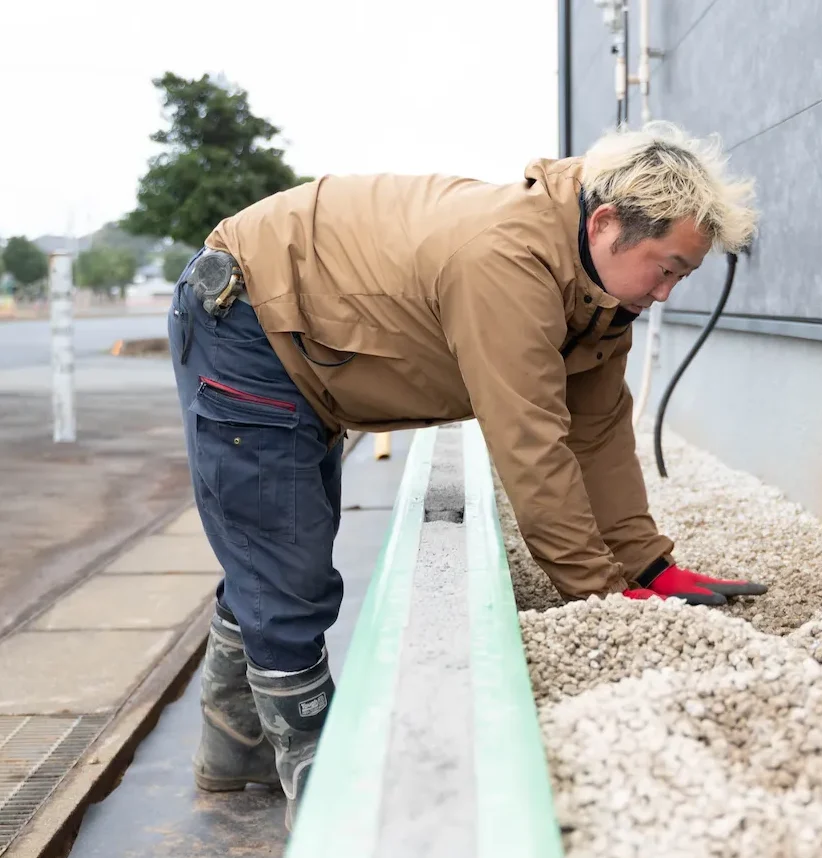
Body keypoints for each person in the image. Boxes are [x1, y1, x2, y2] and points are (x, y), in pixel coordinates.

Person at [166, 120, 766, 828]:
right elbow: (532, 444)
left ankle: (234, 755)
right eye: (665, 268)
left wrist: (648, 566)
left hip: (315, 340)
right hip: (250, 323)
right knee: (286, 561)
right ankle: (324, 785)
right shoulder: (509, 261)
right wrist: (602, 600)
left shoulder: (599, 294)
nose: (666, 293)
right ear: (606, 224)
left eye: (682, 276)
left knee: (271, 549)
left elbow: (598, 432)